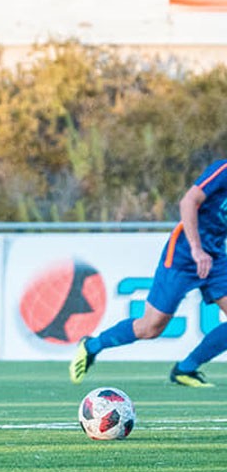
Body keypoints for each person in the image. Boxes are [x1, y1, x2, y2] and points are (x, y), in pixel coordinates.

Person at [71, 159, 227, 387]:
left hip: (215, 256)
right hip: (184, 253)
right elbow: (188, 201)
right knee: (151, 327)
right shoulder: (223, 169)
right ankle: (91, 346)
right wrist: (196, 248)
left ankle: (186, 369)